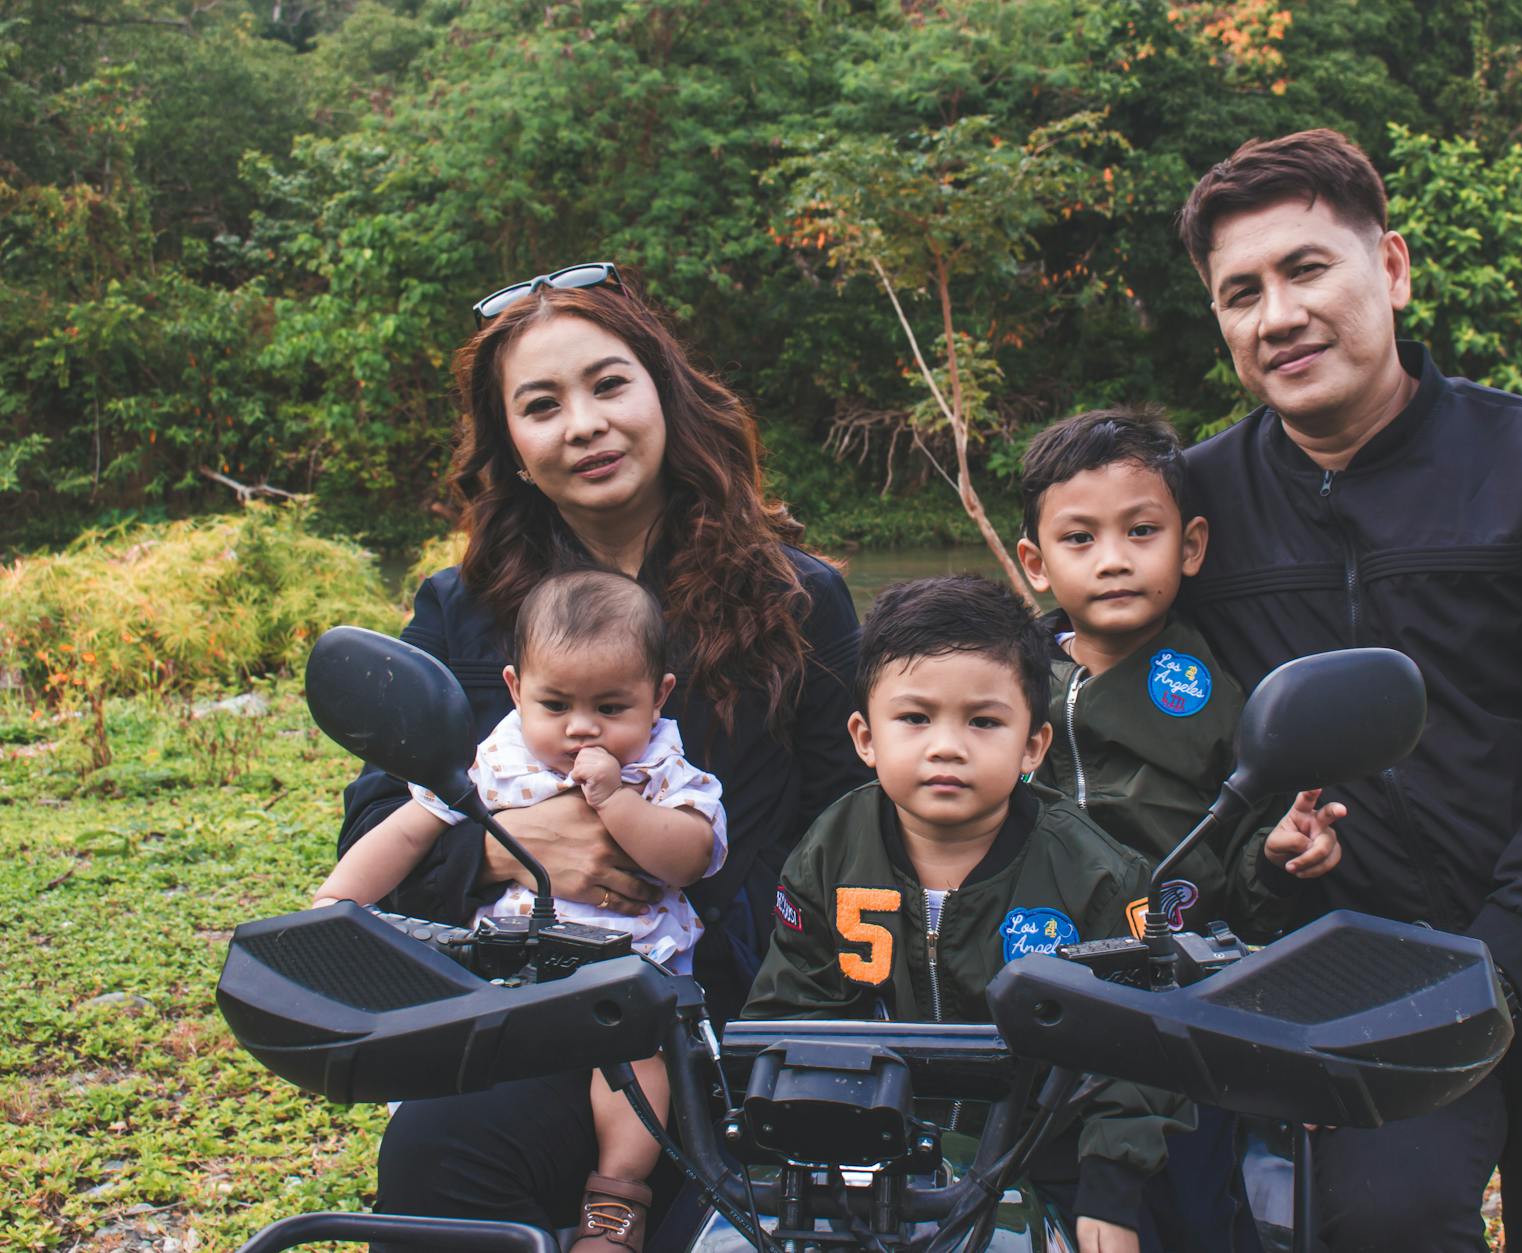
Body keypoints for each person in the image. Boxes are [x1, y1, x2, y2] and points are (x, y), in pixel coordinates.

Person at [1173, 130, 1522, 1252]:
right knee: (1377, 1222)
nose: (1276, 316)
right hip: (1367, 967)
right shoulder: (1200, 507)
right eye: (1238, 292)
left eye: (1306, 268)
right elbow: (1094, 661)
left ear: (1392, 268)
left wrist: (1496, 957)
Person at [337, 262, 872, 1237]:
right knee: (438, 1148)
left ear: (663, 391)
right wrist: (511, 844)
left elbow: (853, 825)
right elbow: (379, 822)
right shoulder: (462, 611)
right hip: (531, 1001)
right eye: (541, 404)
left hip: (738, 1009)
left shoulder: (797, 598)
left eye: (607, 384)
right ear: (511, 442)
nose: (583, 422)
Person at [744, 574, 1191, 1253]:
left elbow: (1140, 1049)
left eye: (983, 721)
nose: (947, 745)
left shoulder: (1098, 872)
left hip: (1053, 1149)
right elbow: (787, 1012)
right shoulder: (830, 850)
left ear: (1034, 746)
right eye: (915, 718)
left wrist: (1112, 1189)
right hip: (879, 1144)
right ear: (865, 736)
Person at [1015, 405, 1346, 1251]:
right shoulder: (1010, 683)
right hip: (1036, 978)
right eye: (1080, 539)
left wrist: (1279, 855)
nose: (1115, 559)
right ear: (1036, 562)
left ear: (1190, 546)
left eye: (1142, 530)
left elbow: (1244, 871)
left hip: (1177, 992)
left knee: (1196, 1207)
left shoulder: (1209, 690)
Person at [318, 568, 724, 1252]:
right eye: (555, 703)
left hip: (628, 986)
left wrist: (618, 803)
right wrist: (336, 902)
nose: (581, 728)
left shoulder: (659, 765)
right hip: (506, 980)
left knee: (640, 1076)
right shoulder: (496, 758)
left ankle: (615, 1206)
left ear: (659, 698)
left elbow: (689, 853)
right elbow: (409, 826)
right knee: (454, 1069)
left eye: (612, 707)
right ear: (514, 689)